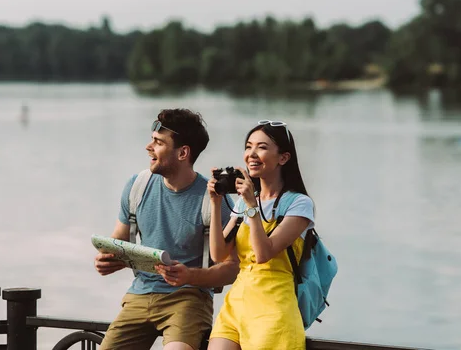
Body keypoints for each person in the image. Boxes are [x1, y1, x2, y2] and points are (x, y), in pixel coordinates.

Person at [95, 108, 239, 350]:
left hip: (188, 300)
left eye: (158, 142)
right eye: (152, 139)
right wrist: (108, 258)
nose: (148, 147)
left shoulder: (214, 199)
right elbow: (118, 240)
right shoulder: (137, 186)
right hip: (139, 295)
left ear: (183, 153)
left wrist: (189, 276)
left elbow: (232, 269)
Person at [206, 120, 315, 350]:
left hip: (272, 310)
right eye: (248, 146)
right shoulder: (244, 200)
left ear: (283, 158)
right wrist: (215, 204)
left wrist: (251, 206)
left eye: (262, 147)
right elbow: (217, 254)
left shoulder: (298, 204)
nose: (251, 154)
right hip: (236, 306)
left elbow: (263, 253)